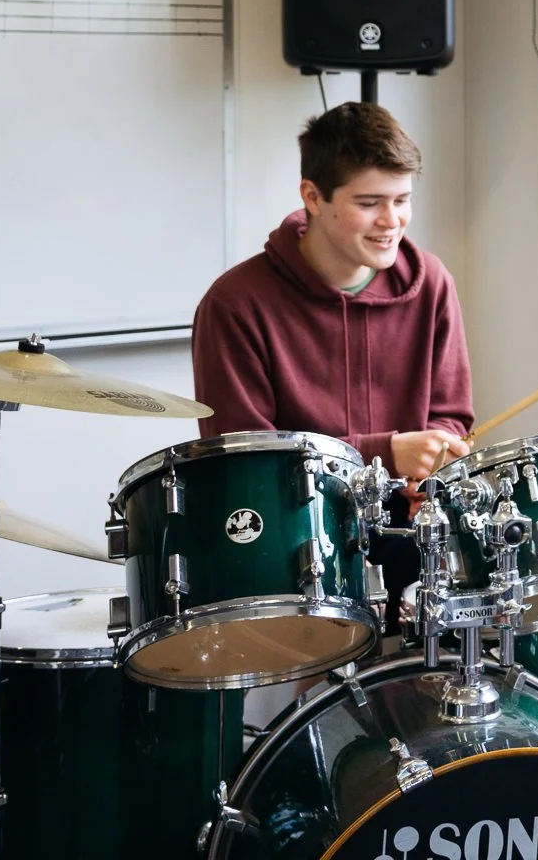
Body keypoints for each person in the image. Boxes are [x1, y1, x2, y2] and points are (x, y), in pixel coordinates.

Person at [193, 101, 473, 607]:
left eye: (402, 199)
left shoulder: (431, 282)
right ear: (313, 197)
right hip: (291, 544)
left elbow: (450, 417)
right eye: (370, 203)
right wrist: (384, 453)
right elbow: (244, 464)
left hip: (409, 533)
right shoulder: (233, 303)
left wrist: (430, 469)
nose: (392, 221)